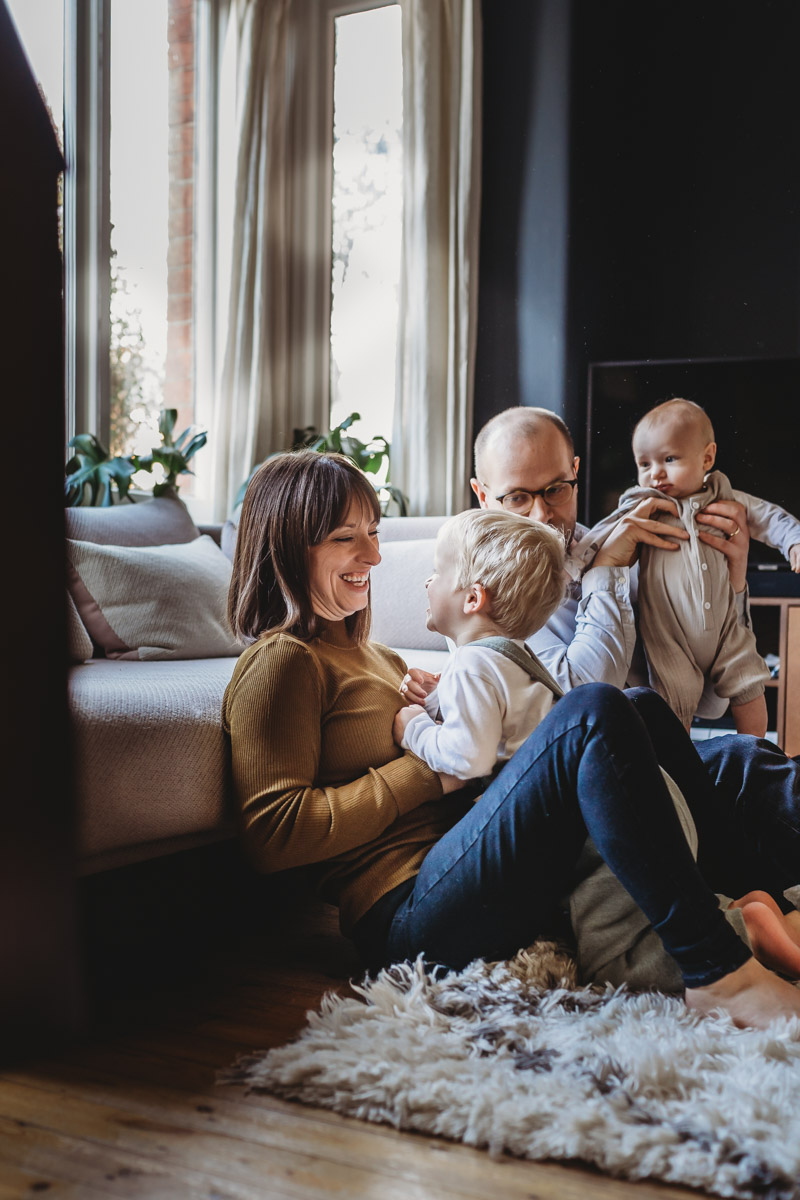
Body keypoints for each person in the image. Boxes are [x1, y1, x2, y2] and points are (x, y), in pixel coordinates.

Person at [222, 447, 800, 1030]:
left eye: (373, 533)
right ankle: (717, 973)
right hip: (409, 914)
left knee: (642, 708)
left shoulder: (378, 657)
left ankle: (756, 905)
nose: (374, 555)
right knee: (592, 710)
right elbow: (273, 835)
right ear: (293, 545)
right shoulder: (283, 660)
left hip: (471, 862)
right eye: (349, 538)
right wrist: (429, 770)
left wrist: (443, 713)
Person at [567, 398, 800, 735]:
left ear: (707, 458)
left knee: (749, 685)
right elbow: (604, 533)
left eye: (669, 459)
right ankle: (682, 766)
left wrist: (793, 541)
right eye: (644, 464)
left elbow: (769, 517)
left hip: (724, 627)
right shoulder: (643, 504)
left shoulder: (724, 496)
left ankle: (755, 752)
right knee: (674, 702)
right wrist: (573, 566)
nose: (655, 473)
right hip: (667, 630)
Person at [393, 508, 566, 781]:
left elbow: (468, 758)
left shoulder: (470, 663)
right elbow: (491, 721)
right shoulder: (512, 658)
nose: (428, 582)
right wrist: (438, 697)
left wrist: (414, 728)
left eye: (437, 572)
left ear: (473, 599)